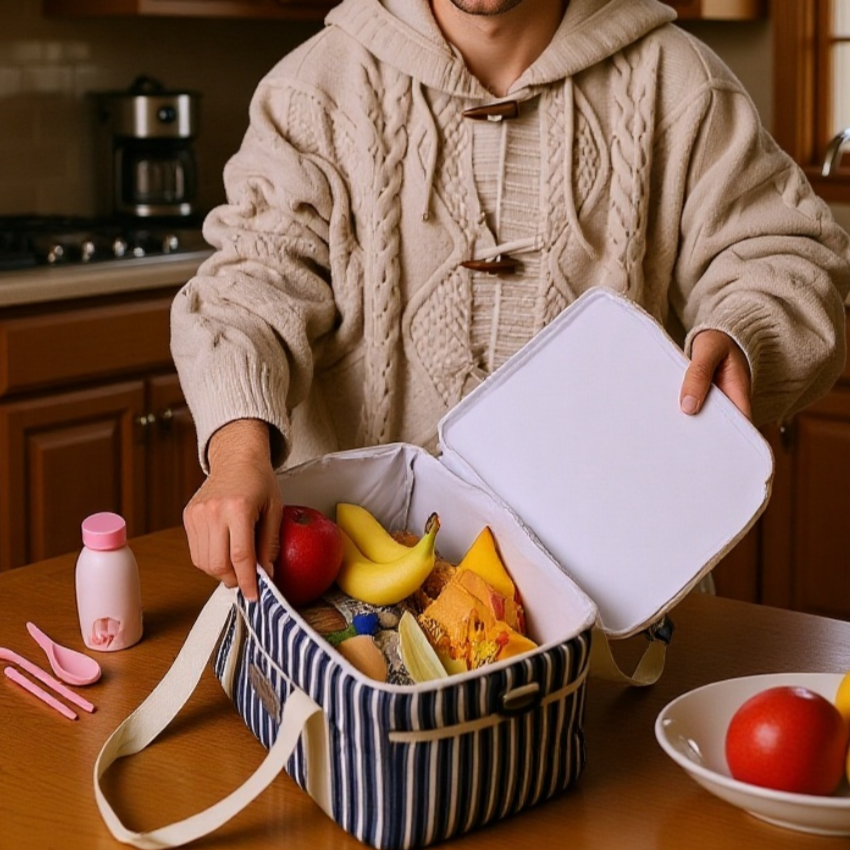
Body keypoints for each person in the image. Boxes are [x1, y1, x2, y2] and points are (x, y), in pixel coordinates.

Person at [171, 0, 850, 601]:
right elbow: (250, 288)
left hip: (622, 594)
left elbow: (786, 254)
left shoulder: (681, 82)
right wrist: (236, 456)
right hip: (361, 597)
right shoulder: (312, 91)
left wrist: (745, 334)